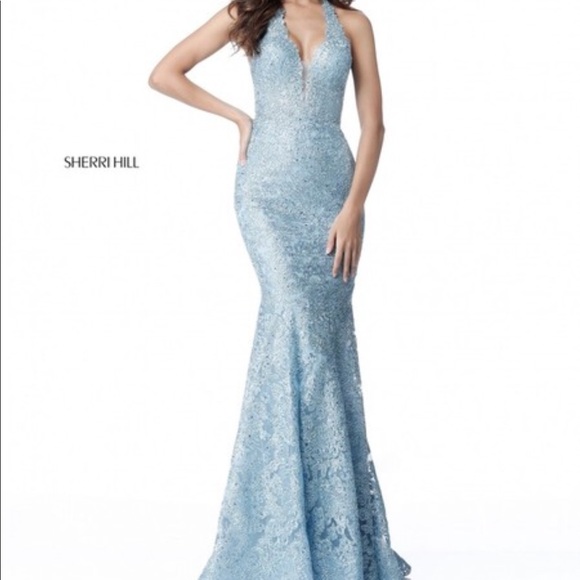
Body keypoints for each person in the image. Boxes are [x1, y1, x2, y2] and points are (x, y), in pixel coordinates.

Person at [148, 1, 411, 578]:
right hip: (266, 193)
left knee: (322, 349)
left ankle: (335, 529)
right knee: (291, 326)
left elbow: (374, 126)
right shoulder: (248, 11)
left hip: (333, 195)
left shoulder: (354, 24)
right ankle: (275, 525)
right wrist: (240, 119)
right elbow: (165, 73)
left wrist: (352, 209)